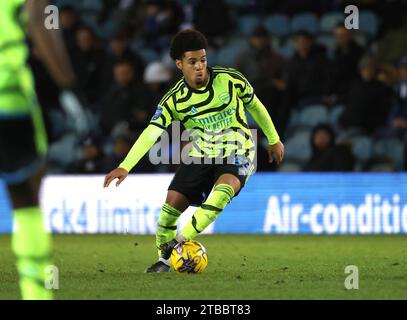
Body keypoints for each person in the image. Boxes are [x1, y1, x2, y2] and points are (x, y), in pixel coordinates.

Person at [103, 29, 284, 272]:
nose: (200, 66)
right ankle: (164, 261)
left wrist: (274, 139)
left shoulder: (230, 80)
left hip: (238, 150)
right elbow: (151, 132)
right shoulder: (173, 100)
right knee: (169, 210)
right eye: (192, 62)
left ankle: (177, 244)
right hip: (202, 154)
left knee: (223, 190)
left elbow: (256, 106)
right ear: (179, 64)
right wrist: (125, 165)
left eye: (203, 60)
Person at [0, 0, 86, 299]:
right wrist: (68, 88)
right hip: (8, 95)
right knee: (25, 199)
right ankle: (36, 293)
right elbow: (40, 20)